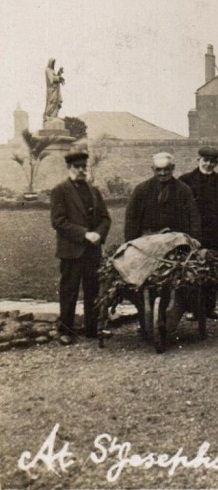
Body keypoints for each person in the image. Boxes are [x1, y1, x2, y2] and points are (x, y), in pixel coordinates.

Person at [125, 152, 201, 329]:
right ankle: (145, 314)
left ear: (172, 169)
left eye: (166, 169)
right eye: (158, 170)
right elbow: (131, 218)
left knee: (181, 275)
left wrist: (194, 238)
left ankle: (176, 310)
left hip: (175, 240)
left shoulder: (183, 189)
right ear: (153, 169)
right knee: (139, 278)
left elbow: (193, 214)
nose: (162, 173)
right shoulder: (141, 190)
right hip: (147, 240)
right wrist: (130, 242)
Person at [49, 151, 111, 344]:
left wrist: (99, 234)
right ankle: (66, 330)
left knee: (92, 289)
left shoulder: (93, 190)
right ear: (69, 168)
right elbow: (58, 221)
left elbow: (105, 218)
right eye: (78, 167)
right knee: (70, 290)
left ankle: (92, 328)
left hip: (92, 250)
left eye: (84, 167)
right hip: (72, 250)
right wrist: (84, 234)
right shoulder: (60, 190)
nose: (82, 171)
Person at [179, 146, 218, 320]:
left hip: (214, 233)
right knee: (192, 271)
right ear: (198, 160)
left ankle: (210, 308)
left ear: (216, 163)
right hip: (193, 233)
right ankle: (192, 309)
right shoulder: (185, 180)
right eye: (205, 161)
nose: (208, 164)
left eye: (212, 162)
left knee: (211, 270)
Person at [44, 58, 65, 122]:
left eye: (54, 63)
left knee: (58, 102)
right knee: (52, 102)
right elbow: (51, 79)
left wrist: (59, 73)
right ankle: (48, 115)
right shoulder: (47, 70)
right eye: (53, 62)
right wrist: (59, 78)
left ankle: (54, 115)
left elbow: (56, 77)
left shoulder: (52, 71)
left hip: (56, 90)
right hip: (52, 90)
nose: (53, 64)